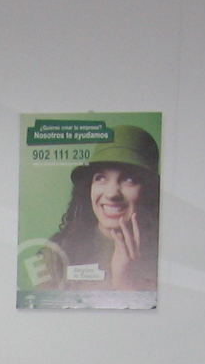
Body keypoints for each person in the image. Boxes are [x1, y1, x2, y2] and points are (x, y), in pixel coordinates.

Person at [39, 124, 160, 293]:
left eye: (129, 179)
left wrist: (124, 283)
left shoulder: (163, 253)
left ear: (149, 189)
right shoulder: (57, 253)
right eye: (101, 178)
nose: (112, 193)